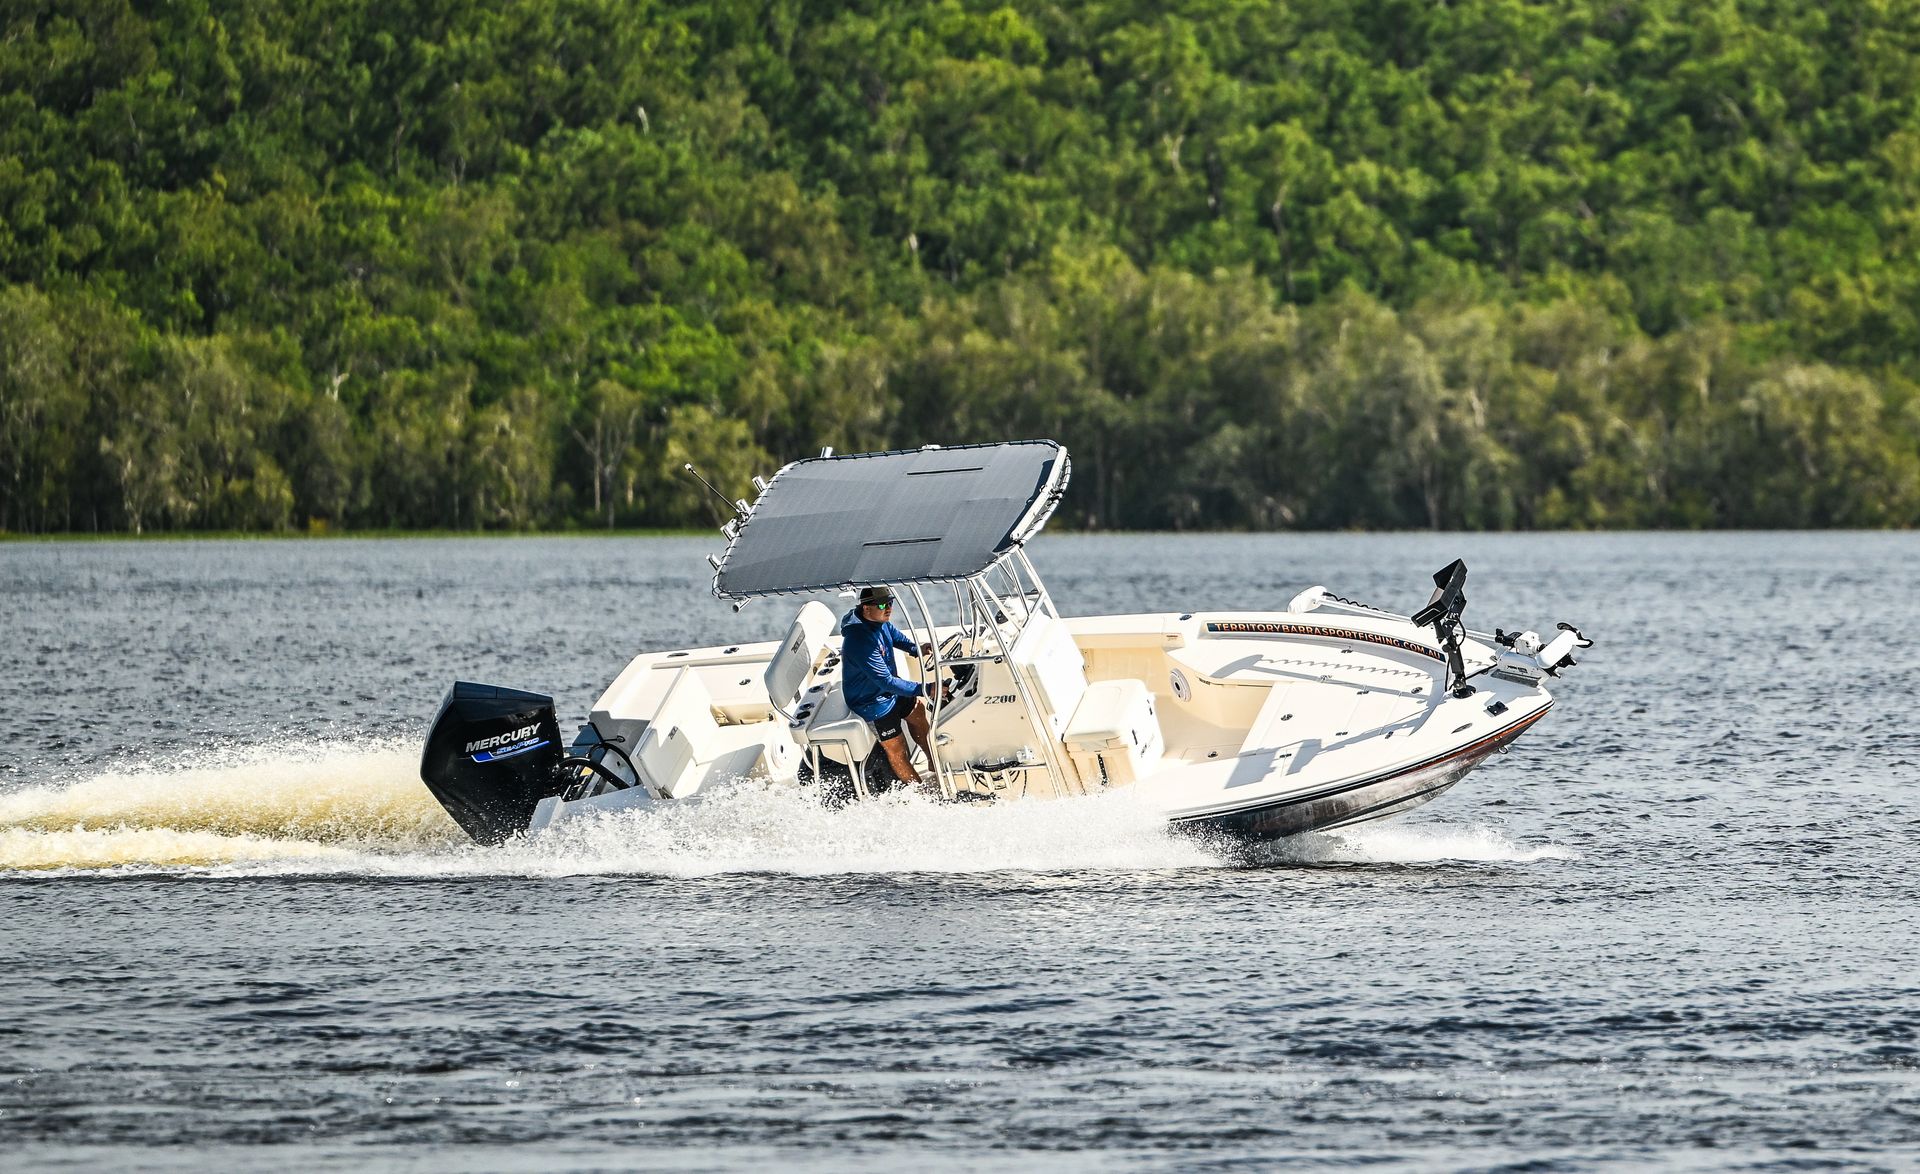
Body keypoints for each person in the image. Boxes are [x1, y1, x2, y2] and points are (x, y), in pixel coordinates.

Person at [839, 585, 943, 786]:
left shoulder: (881, 622)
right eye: (881, 604)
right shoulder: (859, 641)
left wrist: (917, 649)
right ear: (866, 608)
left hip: (890, 692)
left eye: (890, 603)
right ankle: (918, 792)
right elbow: (885, 681)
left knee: (918, 713)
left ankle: (934, 763)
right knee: (897, 748)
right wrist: (927, 689)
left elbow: (897, 639)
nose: (888, 608)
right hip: (871, 702)